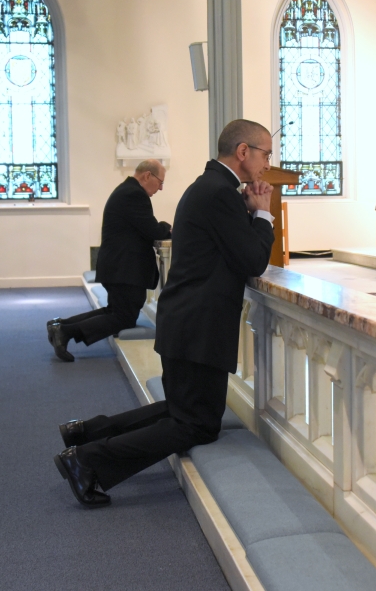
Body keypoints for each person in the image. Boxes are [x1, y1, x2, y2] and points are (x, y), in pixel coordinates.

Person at [53, 119, 275, 508]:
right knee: (197, 424)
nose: (267, 164)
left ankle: (86, 434)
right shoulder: (220, 193)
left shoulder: (211, 187)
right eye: (265, 154)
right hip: (198, 325)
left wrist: (249, 211)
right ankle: (86, 461)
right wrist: (263, 216)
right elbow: (253, 260)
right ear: (243, 152)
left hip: (188, 321)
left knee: (182, 412)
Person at [47, 159, 172, 362]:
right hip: (125, 269)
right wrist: (169, 228)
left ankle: (60, 325)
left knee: (114, 312)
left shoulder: (126, 190)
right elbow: (151, 230)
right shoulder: (134, 194)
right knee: (123, 317)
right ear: (147, 175)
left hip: (118, 266)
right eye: (160, 182)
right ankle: (63, 331)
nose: (160, 188)